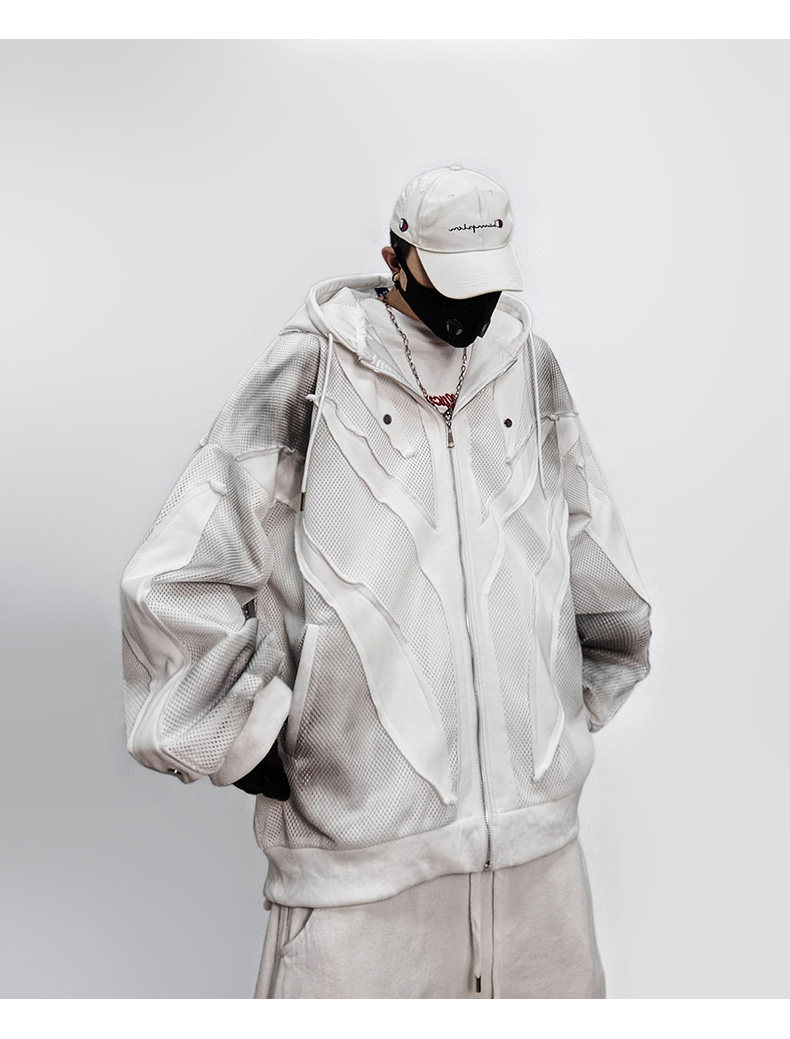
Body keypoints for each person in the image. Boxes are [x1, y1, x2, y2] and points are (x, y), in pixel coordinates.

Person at [119, 164, 653, 998]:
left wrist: (558, 705)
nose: (472, 308)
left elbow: (586, 536)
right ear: (395, 258)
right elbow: (177, 572)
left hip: (538, 862)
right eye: (450, 280)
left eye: (487, 282)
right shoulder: (311, 370)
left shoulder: (526, 365)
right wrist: (237, 731)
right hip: (358, 869)